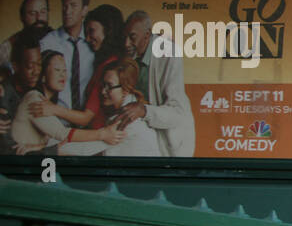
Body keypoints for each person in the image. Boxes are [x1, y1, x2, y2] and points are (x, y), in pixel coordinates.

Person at [10, 51, 124, 154]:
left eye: (65, 70)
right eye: (57, 70)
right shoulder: (34, 100)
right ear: (43, 76)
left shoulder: (45, 103)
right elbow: (62, 134)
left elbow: (55, 141)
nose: (63, 75)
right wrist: (103, 134)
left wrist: (39, 147)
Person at [120, 11, 195, 157]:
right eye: (125, 37)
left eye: (132, 37)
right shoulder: (130, 56)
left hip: (173, 144)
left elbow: (177, 113)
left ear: (147, 35)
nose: (126, 43)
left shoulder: (168, 53)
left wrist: (144, 111)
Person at [40, 0, 97, 111]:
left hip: (88, 123)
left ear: (84, 10)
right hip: (55, 123)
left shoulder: (94, 42)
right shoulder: (47, 43)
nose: (67, 11)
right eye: (64, 6)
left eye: (73, 5)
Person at [0, 0, 50, 78]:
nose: (39, 18)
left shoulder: (60, 40)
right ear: (22, 17)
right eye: (32, 13)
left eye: (43, 12)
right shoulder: (8, 47)